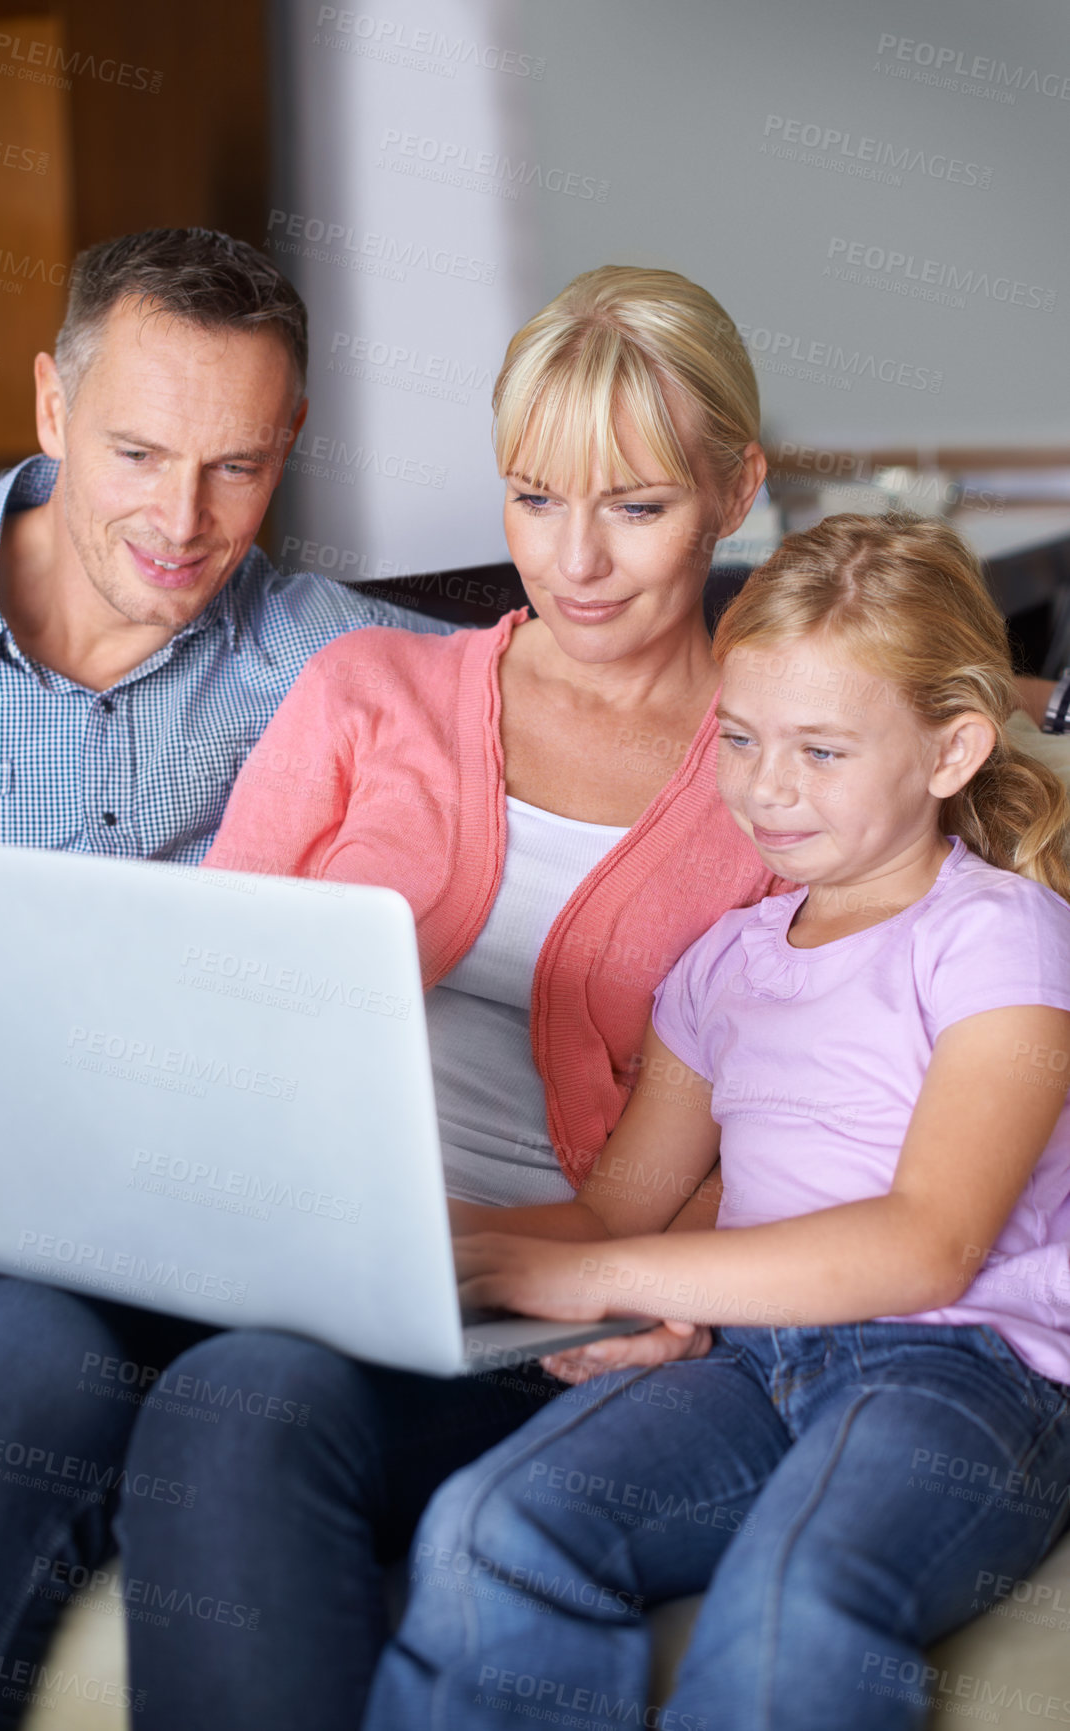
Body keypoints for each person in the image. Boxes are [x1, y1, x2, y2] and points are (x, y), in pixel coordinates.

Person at [100, 265, 787, 1731]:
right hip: (309, 1266)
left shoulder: (788, 767)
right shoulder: (366, 690)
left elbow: (815, 1137)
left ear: (737, 486)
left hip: (571, 1314)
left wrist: (639, 1284)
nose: (576, 561)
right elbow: (197, 1008)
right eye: (534, 497)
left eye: (636, 505)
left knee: (236, 1409)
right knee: (224, 1394)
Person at [365, 512, 1070, 1731]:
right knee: (493, 1526)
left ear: (952, 750)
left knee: (803, 1592)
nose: (764, 787)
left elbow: (928, 1243)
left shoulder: (1001, 936)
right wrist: (445, 1235)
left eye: (822, 751)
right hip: (746, 1358)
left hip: (958, 1373)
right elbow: (612, 1207)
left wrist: (601, 1278)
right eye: (739, 739)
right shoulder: (721, 965)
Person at [0, 224, 449, 1728]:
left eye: (238, 466)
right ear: (47, 409)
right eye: (138, 452)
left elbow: (592, 676)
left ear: (288, 446)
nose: (181, 521)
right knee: (24, 1352)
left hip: (203, 1266)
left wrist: (970, 695)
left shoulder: (313, 653)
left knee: (200, 1380)